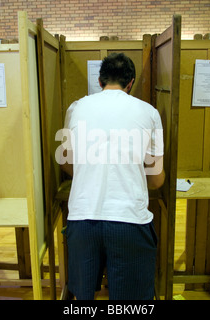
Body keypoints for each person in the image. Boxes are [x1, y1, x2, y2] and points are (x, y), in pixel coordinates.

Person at [59, 52, 165, 300]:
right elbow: (157, 179)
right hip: (130, 221)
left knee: (83, 300)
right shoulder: (149, 112)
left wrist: (89, 172)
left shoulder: (76, 108)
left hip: (82, 220)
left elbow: (65, 162)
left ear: (99, 81)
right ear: (131, 83)